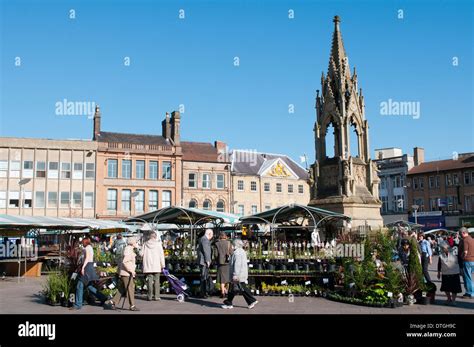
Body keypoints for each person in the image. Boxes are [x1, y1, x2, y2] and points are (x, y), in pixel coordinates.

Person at [70, 237, 107, 310]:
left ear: (85, 242)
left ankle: (78, 304)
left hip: (87, 268)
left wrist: (83, 267)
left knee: (79, 286)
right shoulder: (90, 248)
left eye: (83, 242)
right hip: (90, 267)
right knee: (89, 286)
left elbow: (87, 258)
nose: (82, 243)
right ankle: (102, 297)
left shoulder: (87, 248)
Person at [222, 239, 258, 310]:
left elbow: (237, 265)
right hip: (240, 274)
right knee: (235, 288)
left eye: (232, 244)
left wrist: (235, 274)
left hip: (238, 275)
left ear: (236, 245)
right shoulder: (241, 251)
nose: (231, 246)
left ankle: (251, 300)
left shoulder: (237, 253)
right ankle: (229, 302)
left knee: (240, 288)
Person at [106, 237, 140, 311]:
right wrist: (131, 270)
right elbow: (125, 262)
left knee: (122, 289)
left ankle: (112, 302)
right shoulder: (128, 249)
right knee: (130, 288)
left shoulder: (129, 249)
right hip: (127, 273)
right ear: (132, 243)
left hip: (125, 272)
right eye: (136, 242)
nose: (137, 243)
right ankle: (132, 305)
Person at [140, 231, 166, 301]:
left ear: (149, 237)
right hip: (156, 265)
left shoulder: (145, 244)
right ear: (155, 237)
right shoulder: (158, 244)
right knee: (157, 281)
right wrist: (163, 264)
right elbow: (161, 255)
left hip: (148, 265)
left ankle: (149, 296)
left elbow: (141, 254)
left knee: (149, 281)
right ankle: (157, 296)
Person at [215, 232, 232, 298]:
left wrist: (217, 260)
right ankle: (226, 291)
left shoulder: (217, 244)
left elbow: (215, 255)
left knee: (222, 278)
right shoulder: (229, 243)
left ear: (220, 236)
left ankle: (222, 292)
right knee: (227, 278)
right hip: (227, 262)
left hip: (220, 263)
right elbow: (231, 252)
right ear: (225, 236)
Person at [197, 229, 213, 298]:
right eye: (212, 235)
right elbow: (206, 251)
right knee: (204, 277)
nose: (212, 237)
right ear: (209, 234)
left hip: (202, 261)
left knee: (204, 277)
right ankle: (203, 293)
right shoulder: (205, 240)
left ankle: (203, 292)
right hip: (204, 261)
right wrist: (208, 260)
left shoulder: (202, 239)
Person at [460, 227, 474, 299]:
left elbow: (465, 252)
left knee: (467, 277)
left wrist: (462, 257)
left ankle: (469, 293)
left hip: (467, 260)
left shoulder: (465, 240)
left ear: (463, 232)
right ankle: (472, 292)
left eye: (460, 233)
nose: (460, 235)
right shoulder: (472, 239)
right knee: (470, 277)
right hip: (473, 260)